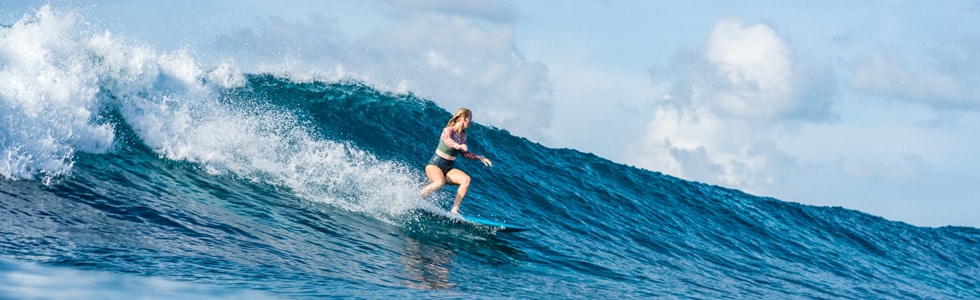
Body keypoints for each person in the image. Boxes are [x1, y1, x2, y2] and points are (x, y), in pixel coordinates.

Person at [419, 108, 493, 214]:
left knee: (466, 180)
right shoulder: (448, 130)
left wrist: (480, 158)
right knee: (439, 182)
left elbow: (465, 153)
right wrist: (458, 146)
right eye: (470, 119)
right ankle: (418, 198)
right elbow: (447, 140)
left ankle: (454, 210)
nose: (471, 121)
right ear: (463, 118)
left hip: (448, 168)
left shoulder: (463, 135)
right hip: (434, 165)